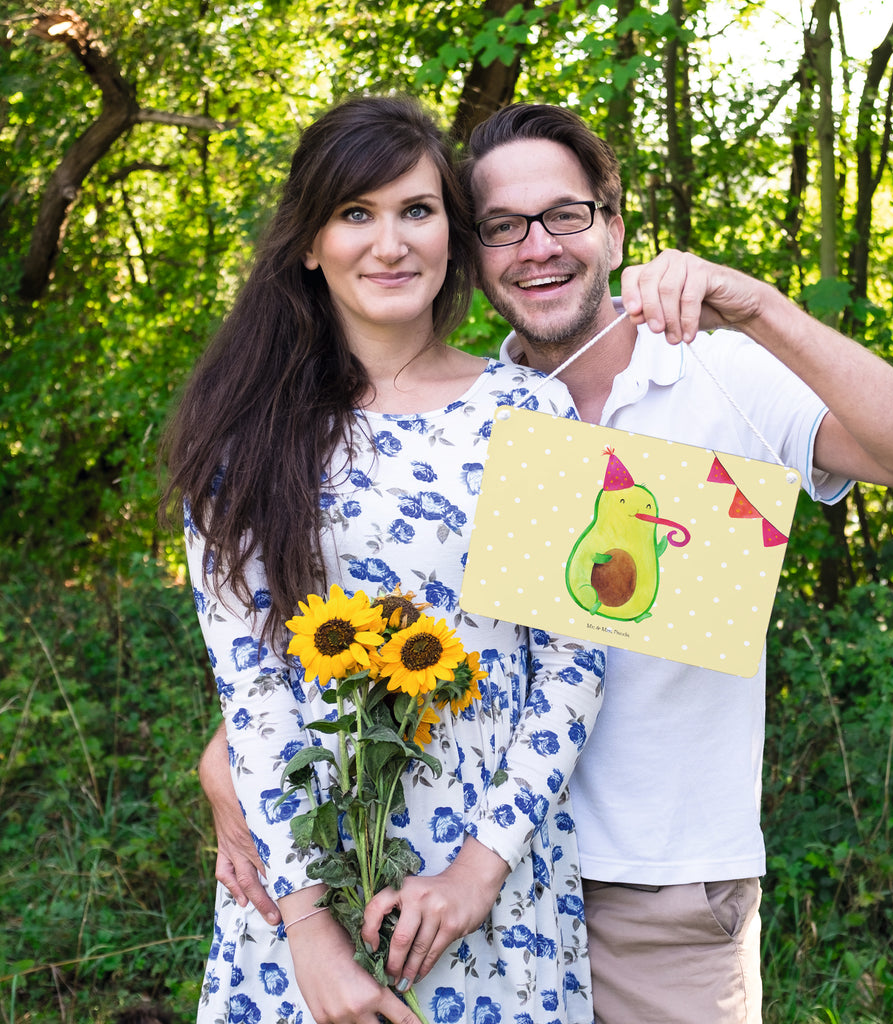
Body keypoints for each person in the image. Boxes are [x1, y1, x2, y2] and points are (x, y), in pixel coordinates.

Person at [202, 102, 893, 1024]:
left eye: (565, 215)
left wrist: (760, 306)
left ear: (612, 225)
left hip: (656, 886)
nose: (537, 247)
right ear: (474, 249)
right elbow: (340, 632)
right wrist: (233, 768)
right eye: (502, 226)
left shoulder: (713, 372)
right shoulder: (463, 414)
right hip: (436, 876)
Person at [163, 96, 609, 1024]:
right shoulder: (244, 438)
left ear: (452, 229)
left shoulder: (531, 414)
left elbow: (572, 664)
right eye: (355, 214)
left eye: (417, 210)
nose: (391, 243)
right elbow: (253, 692)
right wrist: (311, 937)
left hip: (492, 885)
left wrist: (478, 873)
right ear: (308, 244)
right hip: (303, 883)